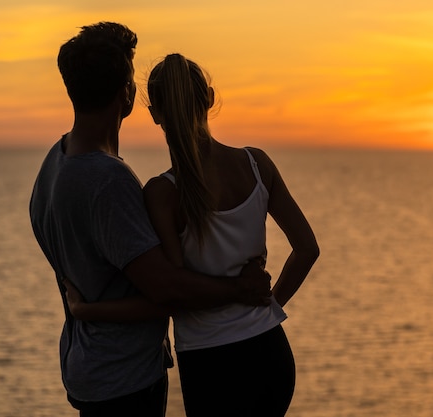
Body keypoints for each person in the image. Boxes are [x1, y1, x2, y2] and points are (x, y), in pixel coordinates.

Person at [29, 23, 272, 417]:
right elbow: (166, 290)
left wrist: (87, 310)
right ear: (126, 94)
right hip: (123, 379)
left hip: (86, 366)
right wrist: (240, 289)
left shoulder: (53, 165)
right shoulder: (108, 181)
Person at [65, 53, 320, 416]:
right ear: (210, 99)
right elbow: (307, 249)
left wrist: (87, 309)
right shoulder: (256, 163)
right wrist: (269, 305)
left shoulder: (162, 193)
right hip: (271, 353)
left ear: (155, 114)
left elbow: (172, 293)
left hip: (211, 364)